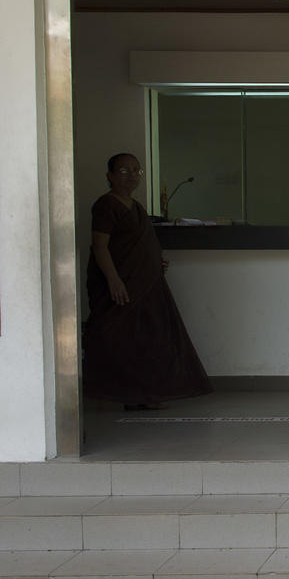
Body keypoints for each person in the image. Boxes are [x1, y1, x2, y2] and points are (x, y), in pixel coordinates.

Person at [83, 152, 212, 410]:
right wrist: (114, 281)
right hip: (122, 286)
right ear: (109, 175)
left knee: (149, 339)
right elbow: (100, 247)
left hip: (147, 283)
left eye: (136, 170)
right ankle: (124, 394)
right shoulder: (106, 205)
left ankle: (146, 394)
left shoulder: (137, 207)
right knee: (120, 339)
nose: (131, 175)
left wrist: (153, 263)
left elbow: (141, 244)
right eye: (124, 170)